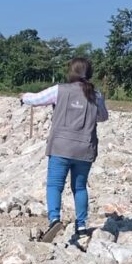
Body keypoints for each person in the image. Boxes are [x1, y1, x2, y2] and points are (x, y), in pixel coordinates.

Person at [20, 57, 109, 243]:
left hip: (60, 147)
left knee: (54, 185)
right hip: (85, 148)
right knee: (80, 187)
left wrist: (23, 97)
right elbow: (102, 117)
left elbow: (36, 99)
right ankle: (81, 225)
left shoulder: (59, 90)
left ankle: (54, 219)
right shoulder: (96, 95)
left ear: (71, 72)